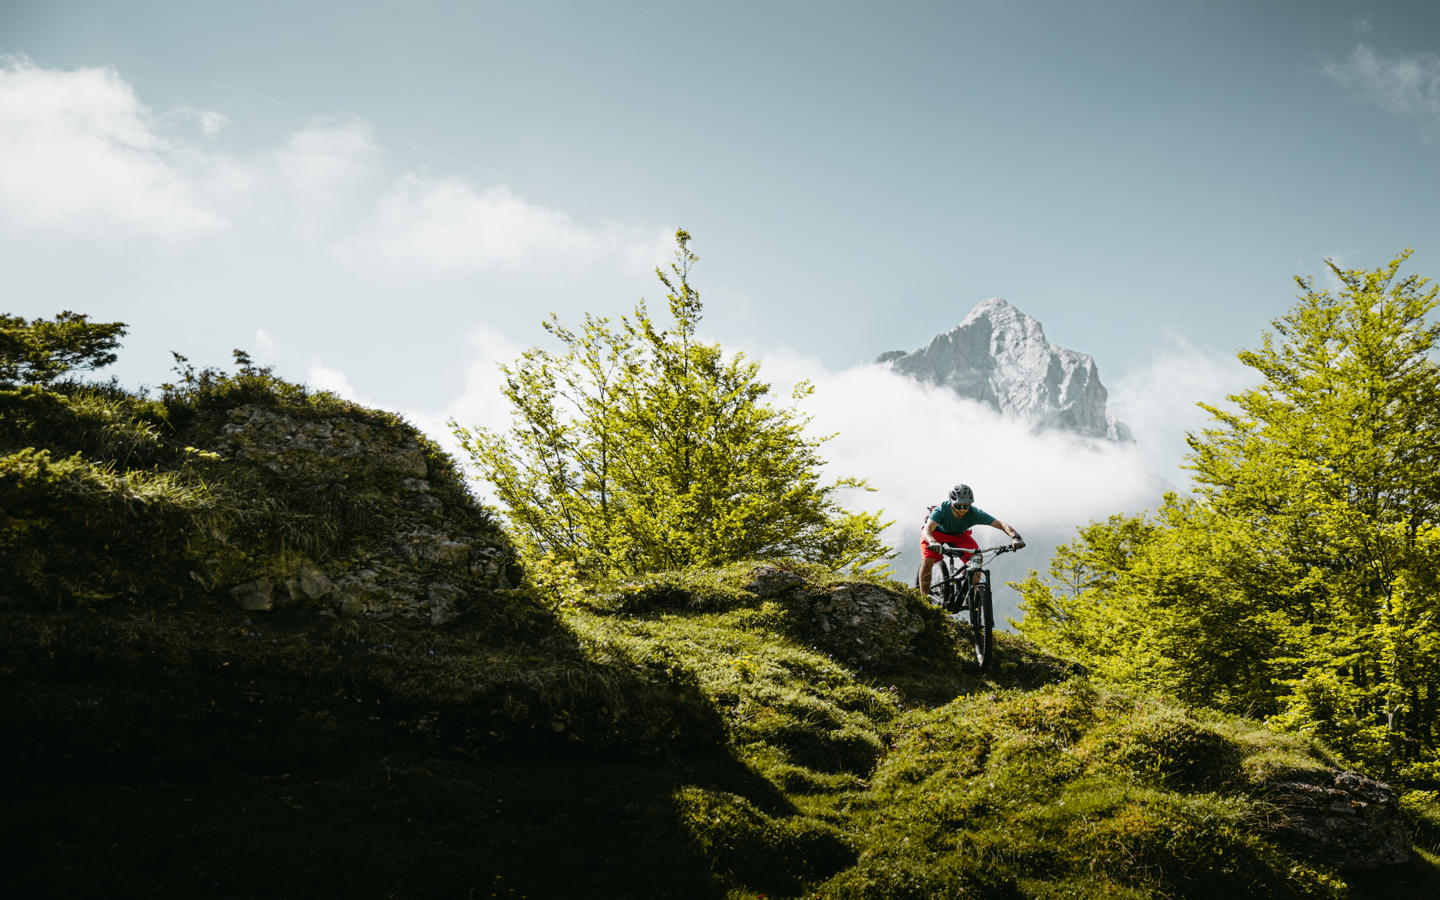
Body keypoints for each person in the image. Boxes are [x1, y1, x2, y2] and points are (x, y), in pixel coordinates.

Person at [918, 483, 1024, 598]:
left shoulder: (974, 513)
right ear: (951, 503)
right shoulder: (941, 510)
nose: (962, 510)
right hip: (935, 534)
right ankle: (924, 598)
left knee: (977, 559)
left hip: (959, 535)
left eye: (966, 506)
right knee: (928, 561)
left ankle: (970, 598)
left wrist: (1016, 537)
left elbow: (1001, 524)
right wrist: (932, 542)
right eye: (958, 506)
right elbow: (927, 530)